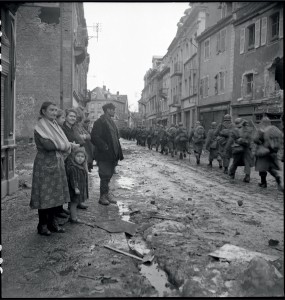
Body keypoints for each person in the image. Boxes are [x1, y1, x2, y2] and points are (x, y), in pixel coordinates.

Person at [30, 101, 71, 236]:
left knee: (56, 194)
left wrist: (62, 144)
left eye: (55, 110)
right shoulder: (41, 127)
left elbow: (59, 144)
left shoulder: (54, 126)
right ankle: (42, 225)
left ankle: (52, 223)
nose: (54, 112)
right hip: (44, 164)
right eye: (51, 110)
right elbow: (48, 145)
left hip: (57, 162)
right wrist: (64, 144)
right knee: (45, 195)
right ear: (43, 111)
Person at [91, 103, 124, 205]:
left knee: (109, 175)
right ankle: (102, 197)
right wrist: (104, 146)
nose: (114, 111)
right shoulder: (100, 122)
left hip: (112, 154)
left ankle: (106, 194)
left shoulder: (111, 122)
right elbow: (94, 136)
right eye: (113, 110)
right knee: (104, 175)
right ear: (108, 110)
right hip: (104, 154)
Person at [62, 108, 88, 209]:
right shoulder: (63, 128)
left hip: (78, 156)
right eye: (71, 116)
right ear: (66, 117)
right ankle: (71, 204)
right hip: (69, 157)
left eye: (74, 116)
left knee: (81, 179)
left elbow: (82, 140)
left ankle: (79, 201)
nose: (73, 118)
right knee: (72, 180)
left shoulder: (74, 128)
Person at [253, 116, 283, 191]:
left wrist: (259, 142)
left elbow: (255, 140)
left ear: (262, 122)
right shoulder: (275, 129)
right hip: (273, 152)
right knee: (271, 168)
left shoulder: (261, 130)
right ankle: (276, 176)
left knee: (262, 168)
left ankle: (263, 183)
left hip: (263, 151)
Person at [66, 147, 89, 223]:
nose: (80, 158)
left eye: (82, 157)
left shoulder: (81, 167)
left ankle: (72, 216)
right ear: (74, 157)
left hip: (78, 189)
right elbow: (73, 179)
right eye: (78, 156)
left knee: (74, 203)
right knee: (73, 204)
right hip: (74, 190)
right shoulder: (73, 168)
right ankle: (73, 218)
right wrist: (75, 188)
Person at [228, 118, 254, 183]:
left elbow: (231, 140)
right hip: (247, 149)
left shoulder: (234, 130)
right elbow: (251, 140)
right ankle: (247, 176)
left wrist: (228, 149)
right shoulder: (249, 130)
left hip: (238, 148)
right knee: (247, 163)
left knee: (235, 162)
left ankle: (232, 174)